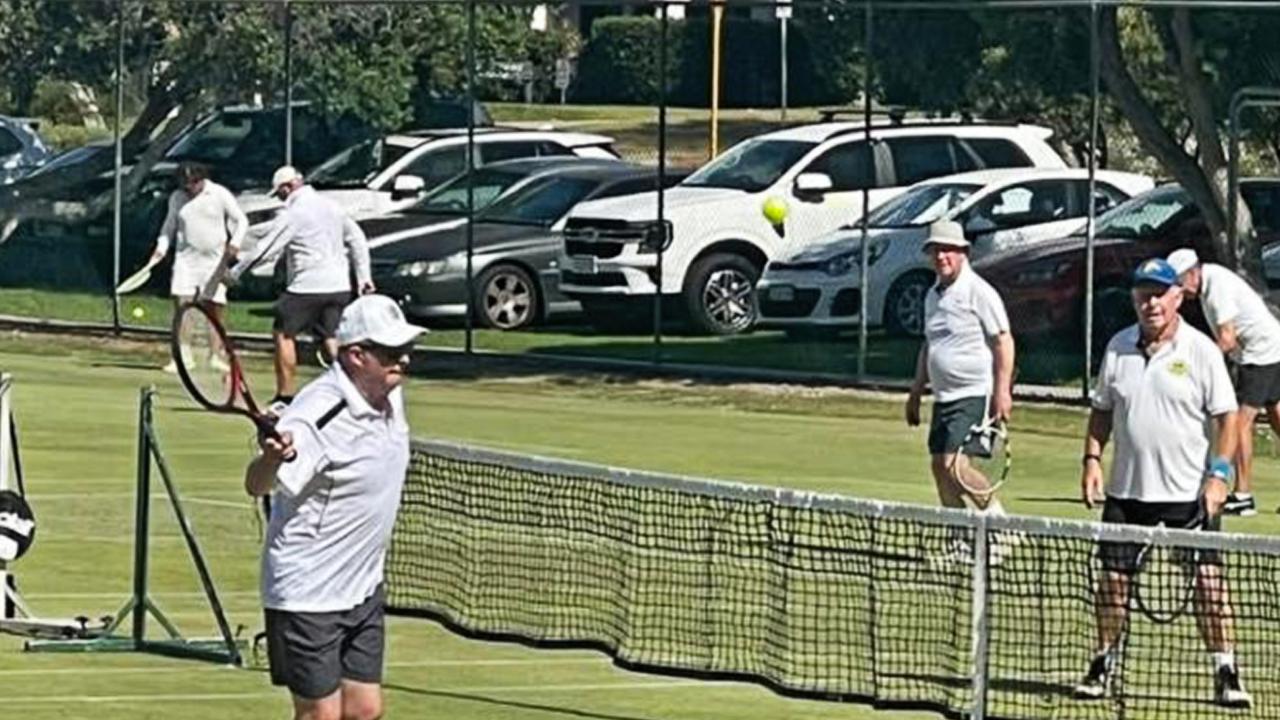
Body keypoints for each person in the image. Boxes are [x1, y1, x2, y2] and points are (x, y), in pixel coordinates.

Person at [1075, 257, 1249, 707]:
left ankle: (1226, 670)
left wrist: (1220, 475)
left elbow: (1227, 419)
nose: (1150, 302)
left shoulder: (1201, 351)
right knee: (1112, 585)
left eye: (1159, 293)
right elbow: (1102, 410)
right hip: (1127, 494)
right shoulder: (1117, 347)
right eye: (1142, 294)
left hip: (1188, 498)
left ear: (1177, 298)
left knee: (1210, 585)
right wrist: (1092, 459)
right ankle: (1102, 661)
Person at [244, 293, 425, 720]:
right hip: (308, 592)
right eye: (391, 352)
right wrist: (271, 458)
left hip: (362, 586)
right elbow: (256, 484)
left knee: (364, 710)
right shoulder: (317, 414)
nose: (403, 360)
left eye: (406, 350)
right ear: (357, 355)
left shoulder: (388, 392)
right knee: (320, 717)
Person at [227, 166, 375, 404]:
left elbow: (267, 247)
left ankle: (284, 396)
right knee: (331, 338)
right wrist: (364, 277)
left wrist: (235, 272)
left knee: (283, 334)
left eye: (281, 193)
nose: (281, 199)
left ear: (288, 187)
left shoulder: (295, 212)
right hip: (339, 286)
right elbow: (357, 240)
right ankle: (355, 391)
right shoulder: (333, 207)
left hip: (307, 286)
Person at [906, 219, 1015, 517]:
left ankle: (1000, 525)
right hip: (944, 398)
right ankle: (961, 541)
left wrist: (1002, 391)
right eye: (936, 251)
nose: (941, 257)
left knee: (953, 465)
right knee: (940, 468)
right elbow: (929, 346)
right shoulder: (932, 296)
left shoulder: (979, 291)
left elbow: (1003, 341)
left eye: (948, 250)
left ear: (962, 252)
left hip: (975, 394)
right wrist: (916, 392)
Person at [1167, 248, 1280, 516]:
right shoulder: (1209, 284)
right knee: (1276, 417)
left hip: (1261, 354)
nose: (1181, 292)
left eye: (1181, 285)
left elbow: (1227, 339)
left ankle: (1243, 496)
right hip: (1270, 348)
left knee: (1239, 423)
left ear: (1193, 273)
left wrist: (1199, 366)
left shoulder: (1215, 286)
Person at [147, 161, 247, 374]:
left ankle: (216, 356)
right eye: (185, 184)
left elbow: (241, 220)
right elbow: (169, 226)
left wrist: (235, 243)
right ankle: (183, 357)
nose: (189, 188)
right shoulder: (177, 197)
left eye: (193, 183)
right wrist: (161, 248)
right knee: (183, 308)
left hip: (214, 262)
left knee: (214, 309)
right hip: (186, 261)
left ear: (202, 179)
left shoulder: (219, 194)